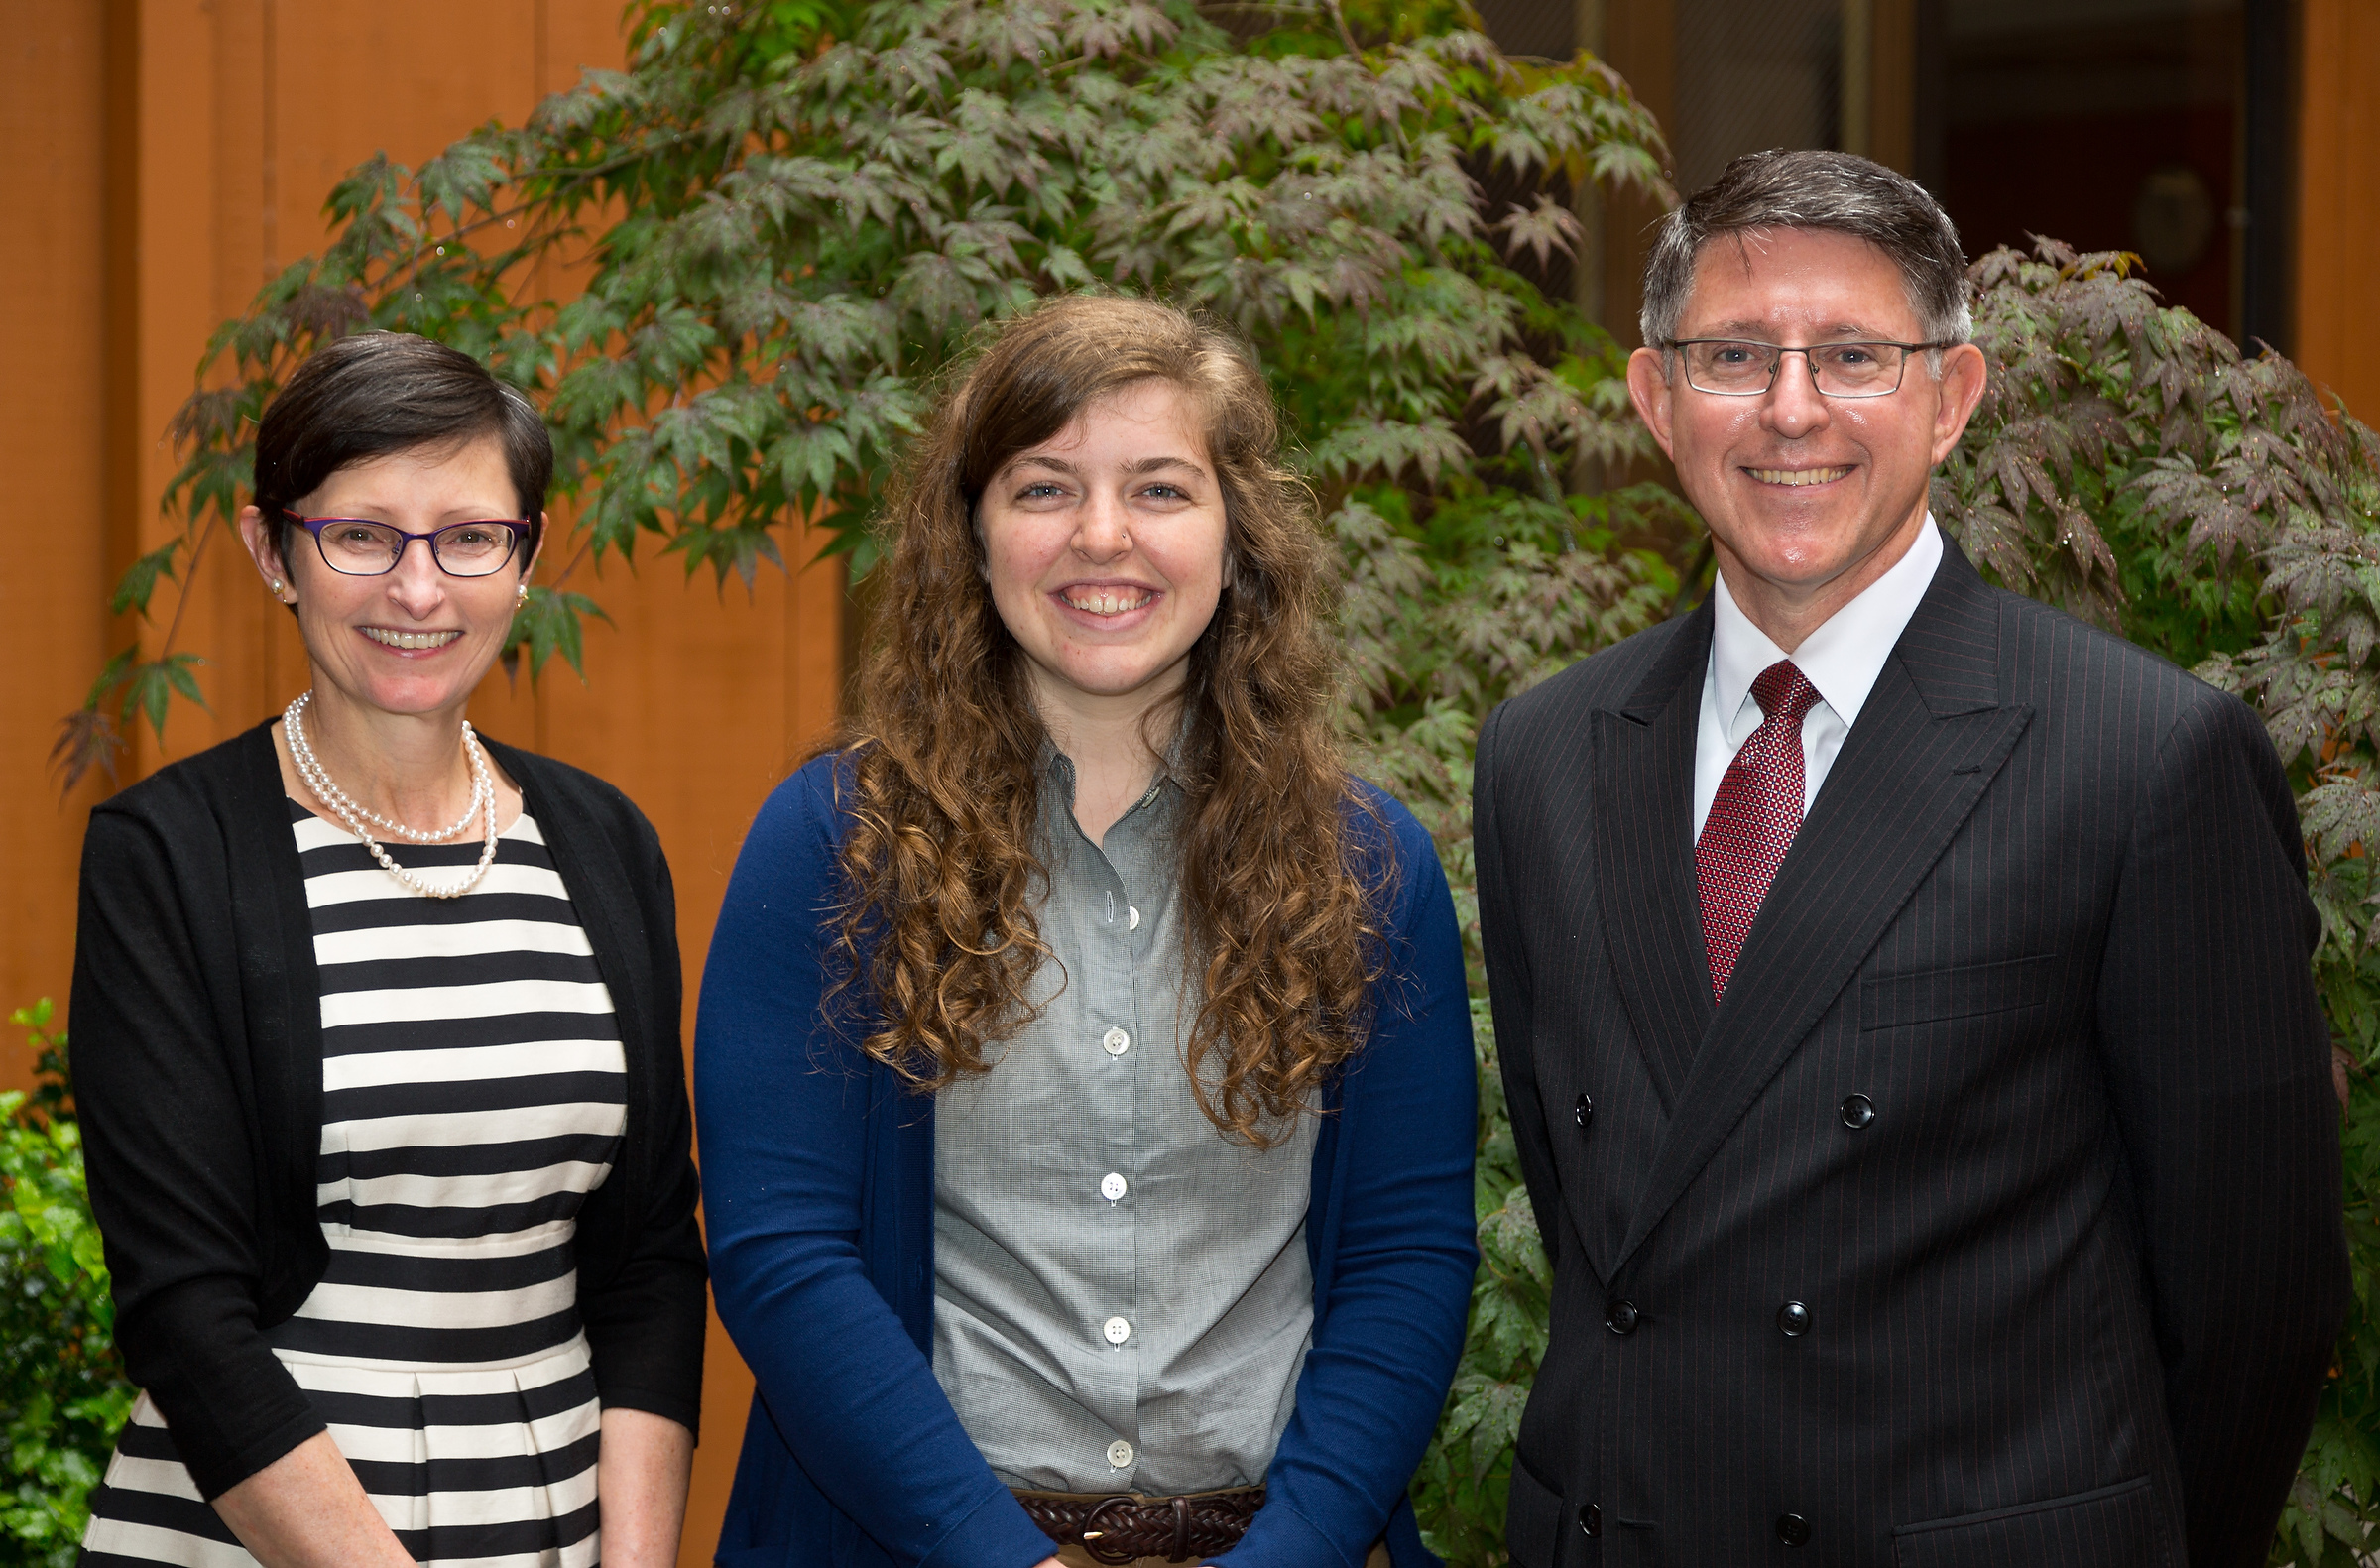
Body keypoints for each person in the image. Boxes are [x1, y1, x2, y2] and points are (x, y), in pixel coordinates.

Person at [1472, 149, 2347, 1567]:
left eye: (1857, 356)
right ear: (1655, 399)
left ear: (1952, 398)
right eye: (1735, 355)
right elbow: (1599, 1219)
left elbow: (2260, 1296)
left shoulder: (2143, 757)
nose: (1792, 407)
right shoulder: (1544, 755)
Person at [695, 295, 1477, 1568]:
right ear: (973, 532)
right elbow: (784, 1256)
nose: (1101, 538)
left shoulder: (1367, 866)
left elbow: (1406, 1259)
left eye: (1162, 490)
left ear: (1240, 538)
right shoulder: (836, 846)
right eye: (1045, 487)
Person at [71, 331, 707, 1568]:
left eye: (470, 537)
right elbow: (182, 1310)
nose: (419, 592)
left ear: (525, 558)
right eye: (361, 536)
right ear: (274, 552)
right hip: (257, 1535)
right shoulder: (170, 856)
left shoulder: (603, 843)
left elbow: (649, 1268)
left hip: (551, 1527)